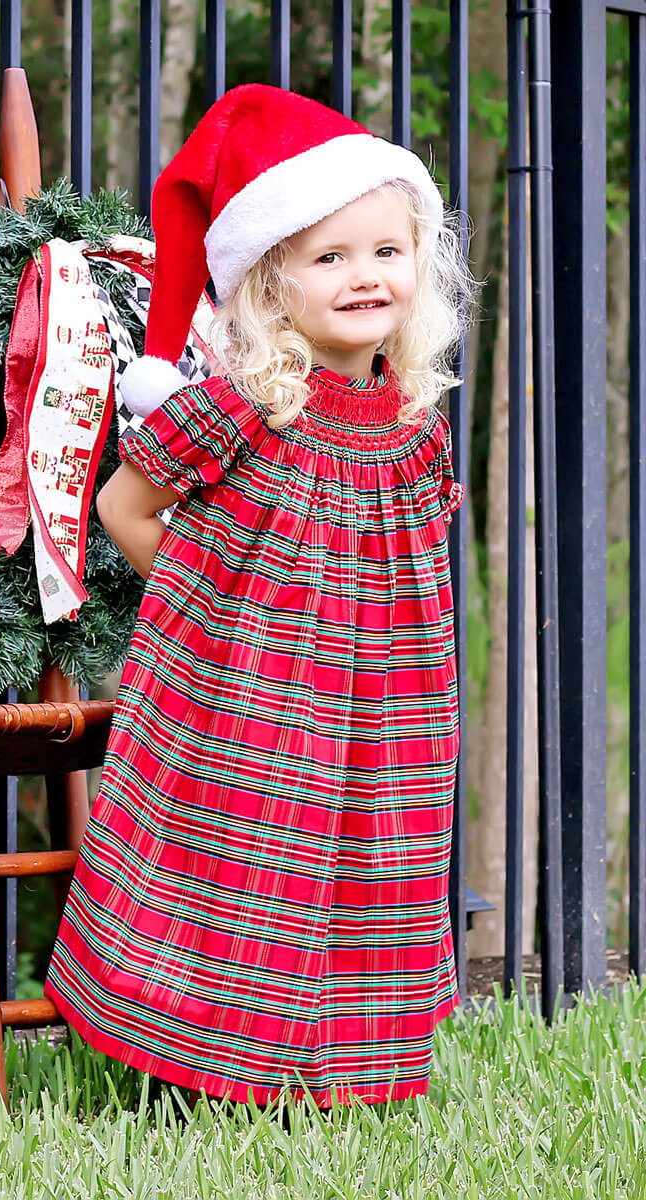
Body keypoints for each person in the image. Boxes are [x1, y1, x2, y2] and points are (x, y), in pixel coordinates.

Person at [43, 83, 479, 1112]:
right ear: (275, 286)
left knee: (366, 861)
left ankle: (338, 1075)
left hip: (384, 709)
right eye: (330, 258)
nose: (366, 275)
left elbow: (412, 561)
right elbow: (123, 507)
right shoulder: (243, 406)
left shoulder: (414, 421)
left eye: (386, 251)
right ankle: (202, 1073)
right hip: (255, 701)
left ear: (421, 264)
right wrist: (222, 614)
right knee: (241, 864)